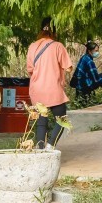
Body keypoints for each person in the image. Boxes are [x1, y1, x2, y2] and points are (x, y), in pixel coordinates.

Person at [26, 17, 73, 149]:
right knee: (62, 120)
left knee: (41, 122)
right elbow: (68, 68)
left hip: (37, 90)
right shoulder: (58, 46)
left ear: (41, 30)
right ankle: (50, 145)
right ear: (54, 31)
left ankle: (40, 150)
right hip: (53, 89)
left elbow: (30, 69)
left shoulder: (32, 46)